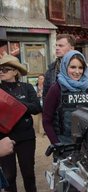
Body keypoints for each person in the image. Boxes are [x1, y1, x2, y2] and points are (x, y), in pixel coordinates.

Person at [0, 54, 42, 192]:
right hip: (4, 138)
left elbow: (36, 108)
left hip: (26, 137)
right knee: (9, 176)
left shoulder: (27, 87)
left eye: (5, 69)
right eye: (0, 69)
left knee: (28, 173)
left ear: (15, 71)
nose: (1, 72)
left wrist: (15, 103)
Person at [43, 50, 88, 144]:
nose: (77, 72)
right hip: (64, 143)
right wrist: (57, 144)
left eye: (81, 68)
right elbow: (47, 121)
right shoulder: (56, 88)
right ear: (65, 66)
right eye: (73, 67)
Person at [43, 34, 76, 99]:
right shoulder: (51, 69)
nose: (57, 48)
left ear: (71, 48)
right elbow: (46, 96)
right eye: (56, 45)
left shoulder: (81, 68)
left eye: (61, 46)